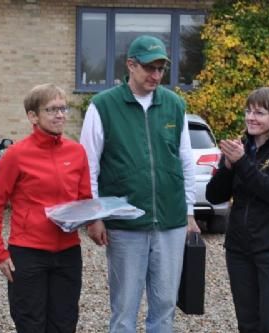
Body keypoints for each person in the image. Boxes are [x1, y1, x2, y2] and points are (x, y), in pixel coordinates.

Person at [79, 35, 200, 333]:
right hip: (125, 225)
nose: (156, 75)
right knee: (123, 310)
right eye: (150, 68)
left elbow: (185, 161)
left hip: (170, 223)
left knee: (165, 307)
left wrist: (189, 212)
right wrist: (94, 216)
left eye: (161, 69)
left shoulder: (174, 105)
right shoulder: (103, 106)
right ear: (130, 65)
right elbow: (88, 166)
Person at [0, 83, 91, 333]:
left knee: (65, 324)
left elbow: (85, 199)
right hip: (28, 254)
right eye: (52, 109)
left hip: (67, 253)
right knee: (30, 323)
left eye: (63, 108)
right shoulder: (16, 155)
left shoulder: (77, 152)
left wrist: (96, 215)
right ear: (33, 116)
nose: (60, 115)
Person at [206, 87, 269, 333]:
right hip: (239, 250)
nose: (251, 117)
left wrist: (241, 163)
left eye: (259, 113)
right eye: (248, 111)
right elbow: (214, 196)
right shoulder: (240, 147)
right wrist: (228, 167)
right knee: (247, 324)